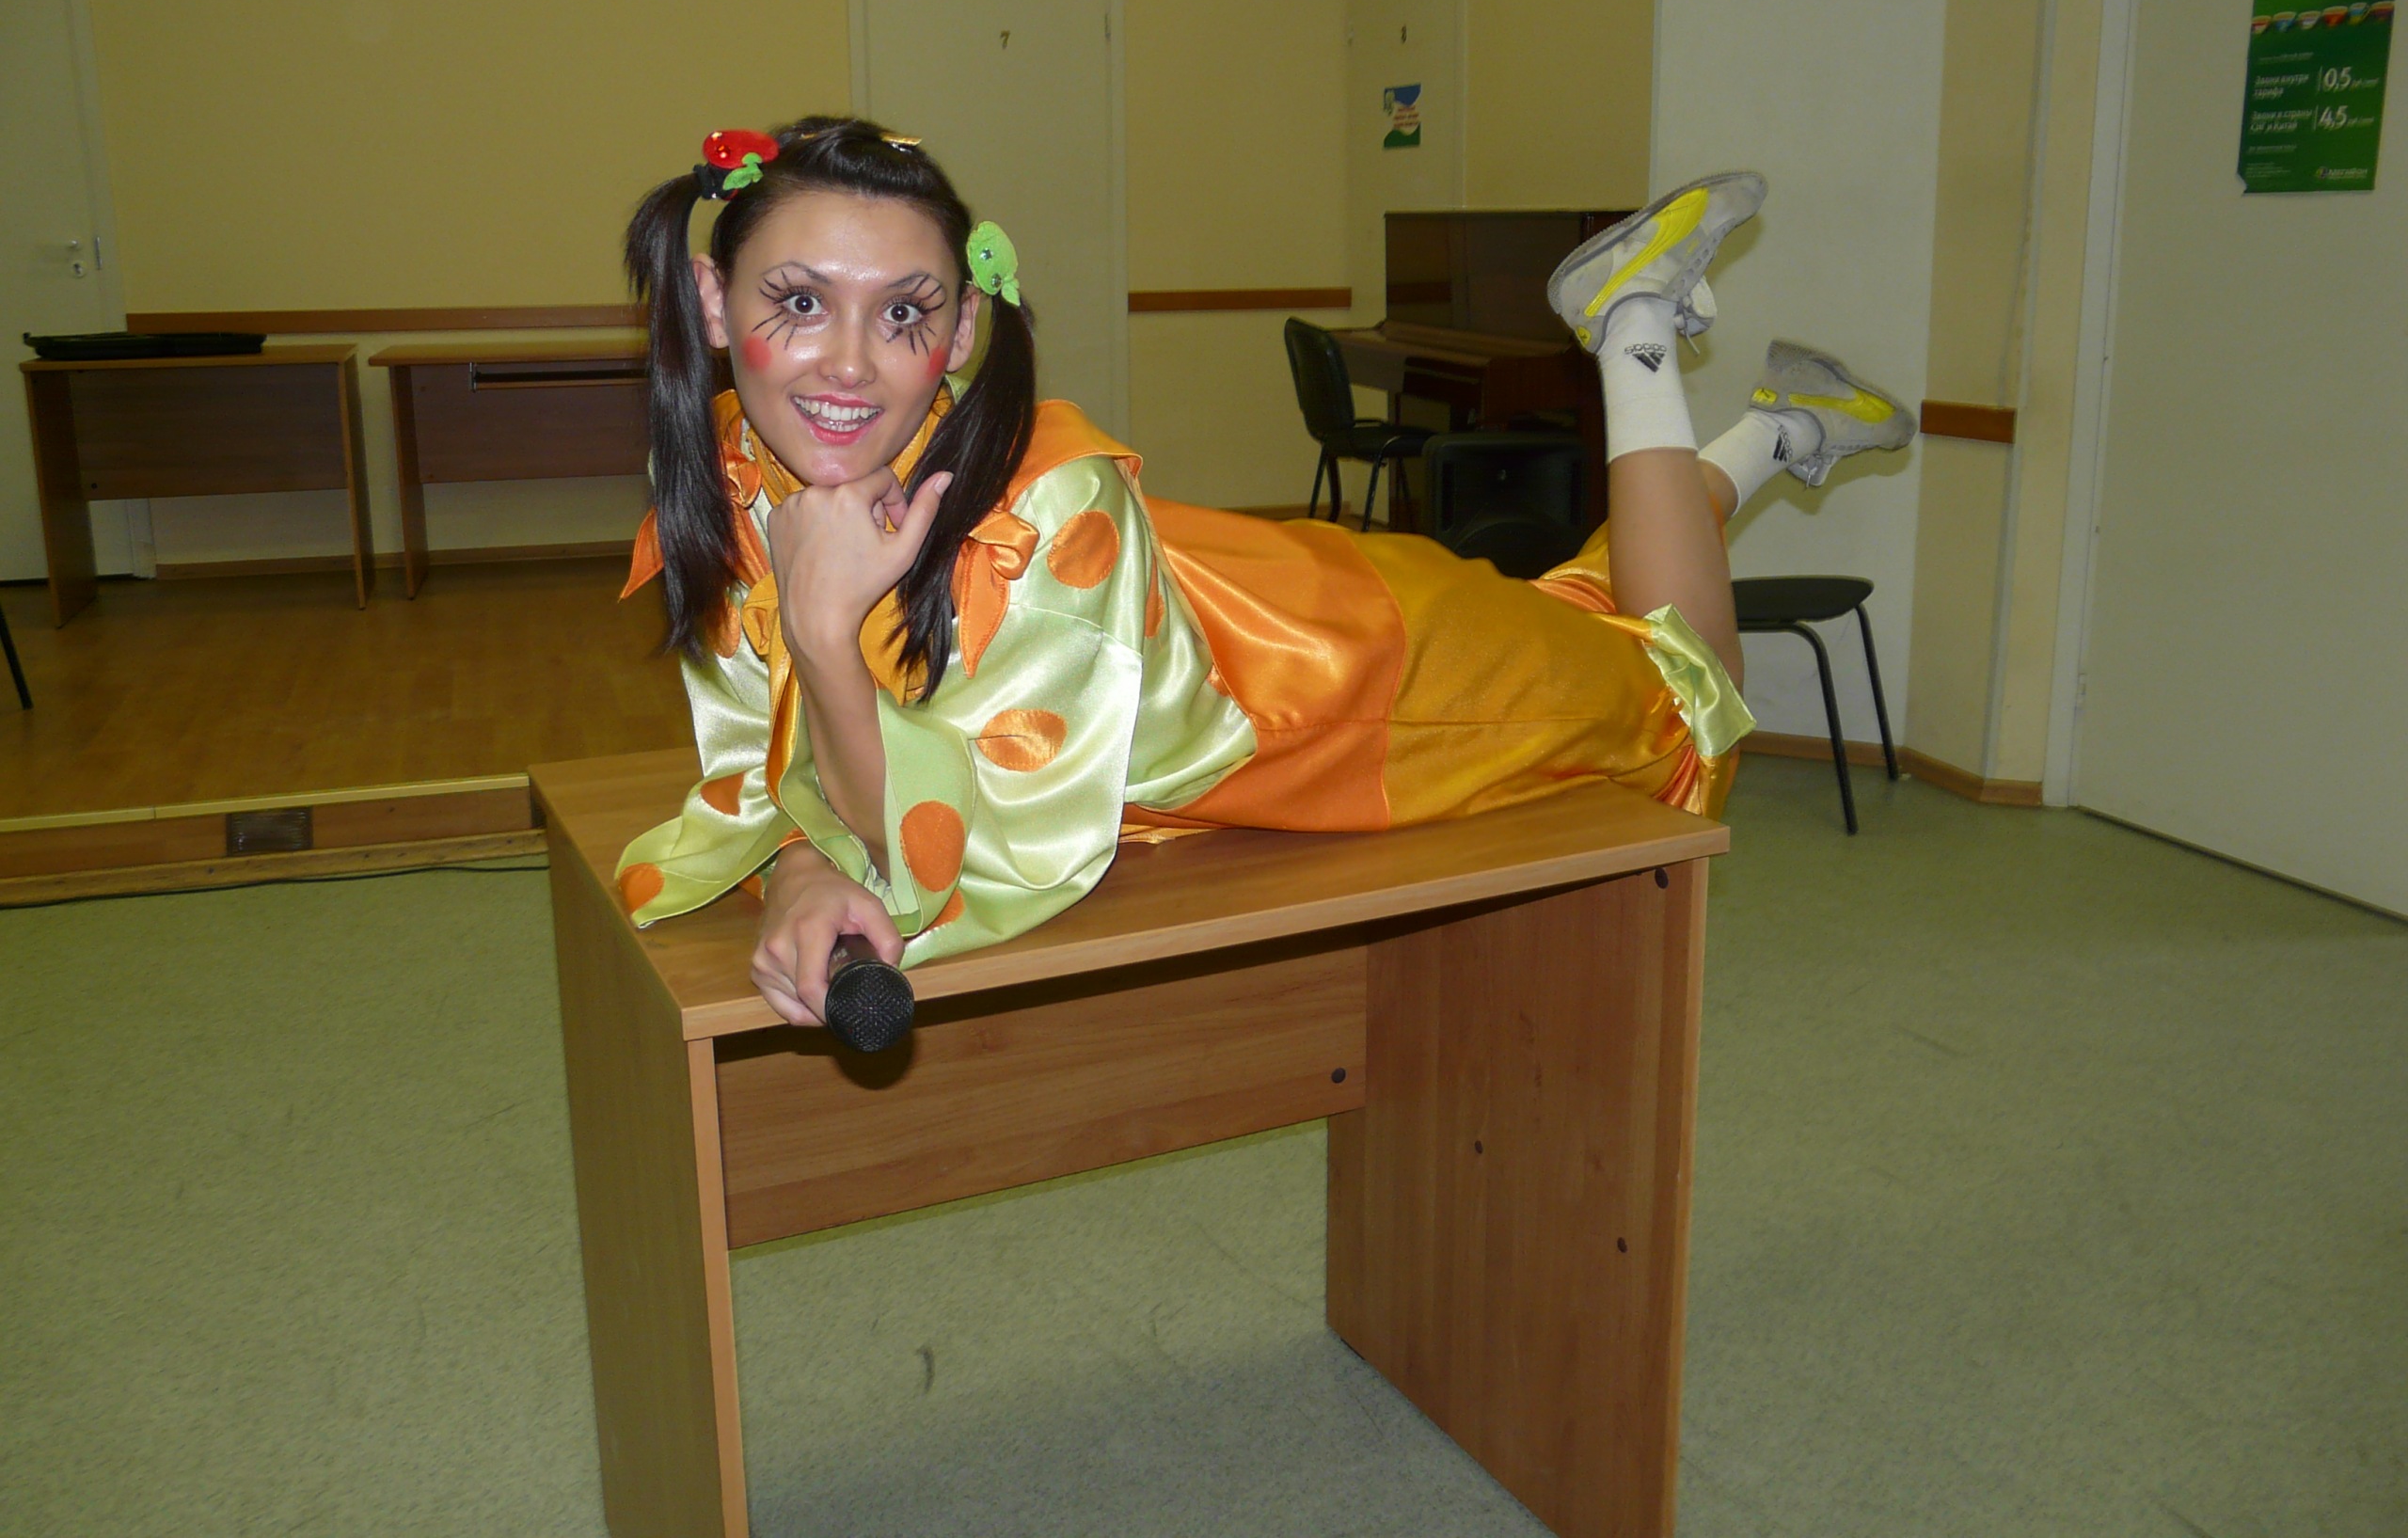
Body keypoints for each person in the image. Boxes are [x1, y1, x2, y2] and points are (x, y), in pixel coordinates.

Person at [614, 118, 1913, 1030]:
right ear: (715, 303)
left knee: (1681, 692)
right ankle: (1784, 432)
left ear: (959, 333)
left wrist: (826, 642)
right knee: (1582, 615)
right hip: (1283, 605)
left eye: (903, 311)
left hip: (1370, 696)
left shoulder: (1045, 518)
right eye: (799, 301)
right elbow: (776, 766)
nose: (848, 364)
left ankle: (1634, 331)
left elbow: (984, 854)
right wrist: (803, 865)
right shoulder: (734, 481)